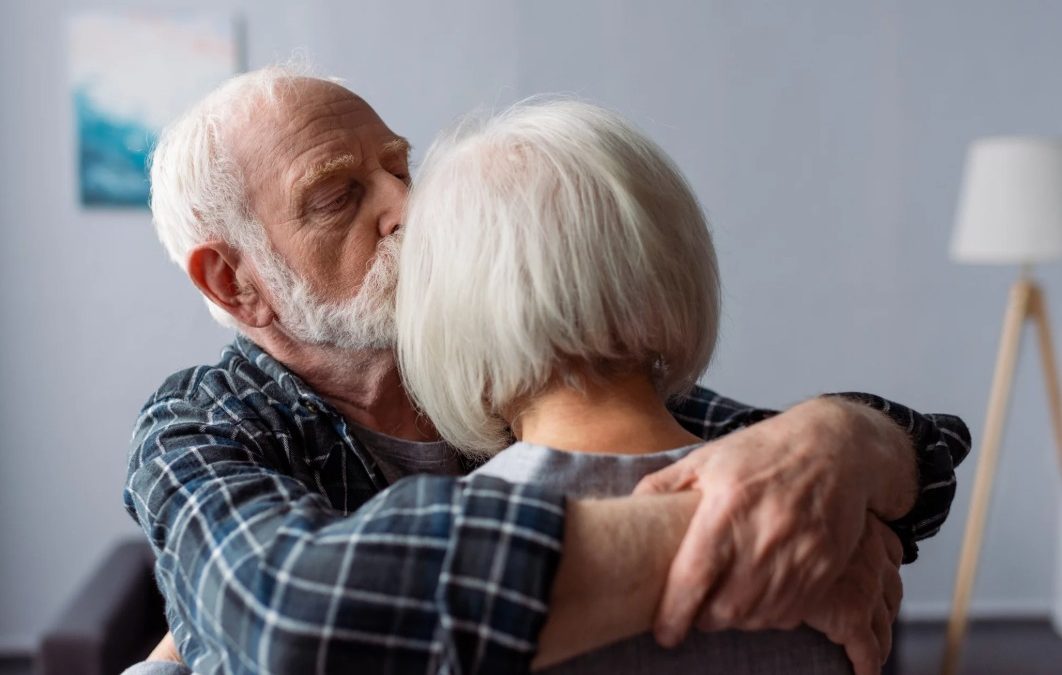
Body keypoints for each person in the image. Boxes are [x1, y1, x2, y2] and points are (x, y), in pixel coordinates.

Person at [123, 66, 969, 674]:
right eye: (340, 196)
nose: (407, 207)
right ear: (235, 281)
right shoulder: (200, 425)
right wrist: (742, 531)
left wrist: (847, 441)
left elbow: (907, 470)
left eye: (400, 167)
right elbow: (291, 622)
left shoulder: (533, 366)